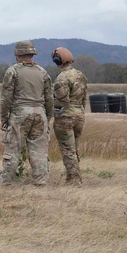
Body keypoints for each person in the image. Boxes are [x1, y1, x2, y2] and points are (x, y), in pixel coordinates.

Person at [0, 40, 53, 186]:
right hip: (40, 114)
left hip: (20, 114)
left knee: (13, 149)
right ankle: (40, 182)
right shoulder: (42, 72)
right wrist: (47, 117)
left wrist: (4, 118)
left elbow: (6, 98)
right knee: (39, 151)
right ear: (32, 54)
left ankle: (7, 182)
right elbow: (49, 98)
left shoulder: (13, 71)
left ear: (17, 55)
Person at [51, 47, 87, 185]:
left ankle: (73, 180)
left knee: (67, 150)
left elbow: (62, 100)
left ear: (57, 60)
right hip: (79, 115)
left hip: (65, 116)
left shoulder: (61, 78)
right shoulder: (80, 75)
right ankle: (76, 176)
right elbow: (84, 97)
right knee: (74, 149)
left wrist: (47, 101)